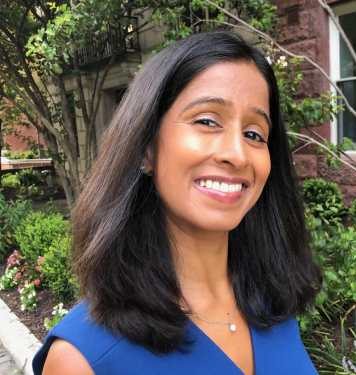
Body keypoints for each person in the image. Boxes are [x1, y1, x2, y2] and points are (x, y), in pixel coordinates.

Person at [32, 31, 322, 375]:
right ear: (146, 148)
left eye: (254, 134)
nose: (237, 154)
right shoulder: (83, 359)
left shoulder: (271, 303)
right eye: (207, 121)